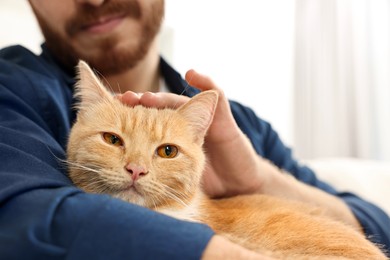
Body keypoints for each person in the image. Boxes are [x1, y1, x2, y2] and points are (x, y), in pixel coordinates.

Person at [0, 0, 388, 259]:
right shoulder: (12, 88)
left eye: (167, 150)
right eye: (114, 139)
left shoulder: (239, 122)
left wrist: (259, 180)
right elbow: (24, 218)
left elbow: (376, 226)